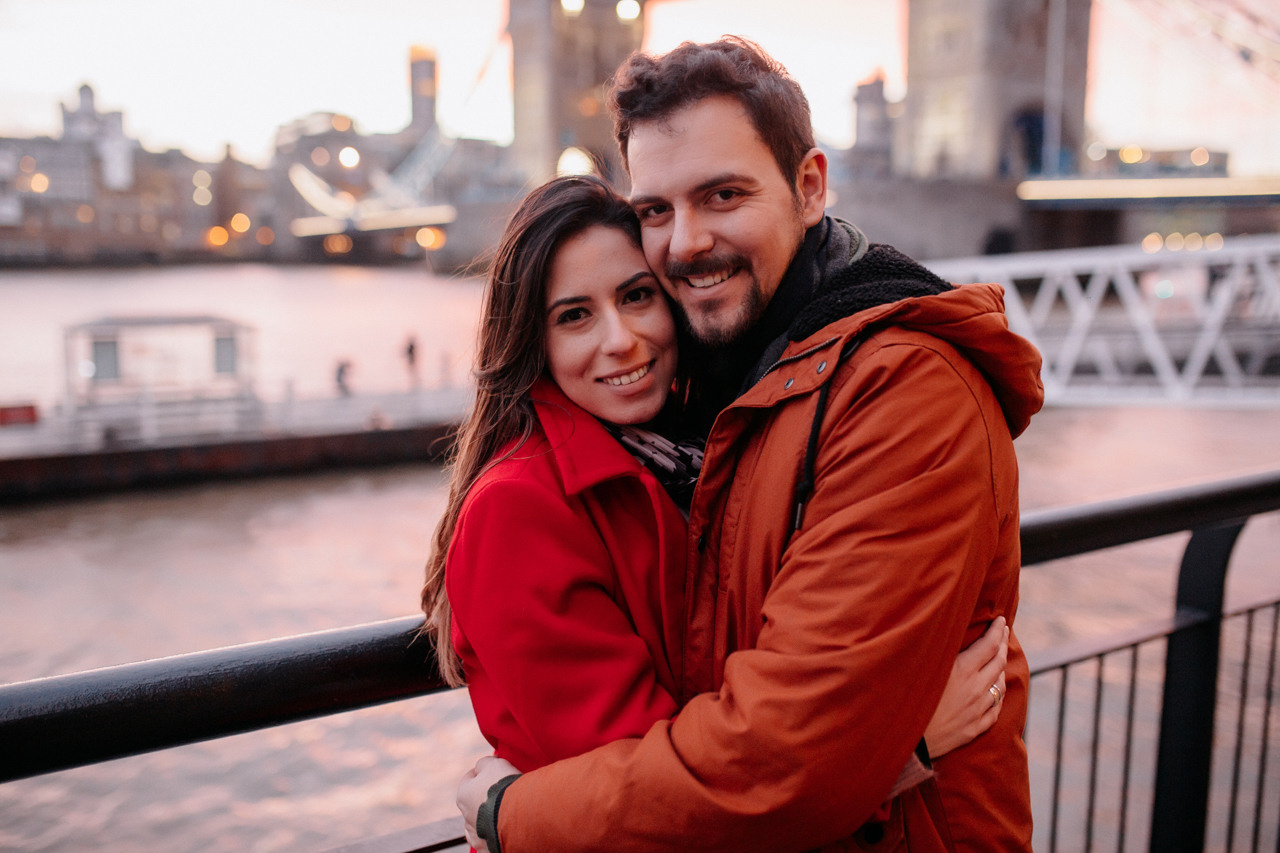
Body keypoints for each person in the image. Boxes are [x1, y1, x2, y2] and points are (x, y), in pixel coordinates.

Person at [459, 37, 1044, 852]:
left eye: (723, 195)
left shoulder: (905, 390)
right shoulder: (735, 386)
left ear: (809, 187)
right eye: (656, 211)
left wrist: (512, 814)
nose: (686, 242)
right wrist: (892, 743)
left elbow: (785, 768)